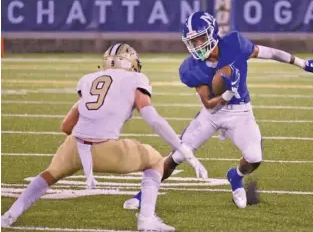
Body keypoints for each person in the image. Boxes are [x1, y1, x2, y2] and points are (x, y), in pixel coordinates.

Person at [123, 11, 313, 210]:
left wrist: (301, 63)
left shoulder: (235, 43)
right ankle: (143, 195)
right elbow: (210, 104)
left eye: (200, 38)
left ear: (213, 33)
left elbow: (269, 52)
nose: (197, 45)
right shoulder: (191, 67)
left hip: (241, 112)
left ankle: (236, 176)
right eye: (192, 41)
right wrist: (229, 91)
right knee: (178, 156)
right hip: (212, 115)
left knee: (254, 157)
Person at [1, 43, 208, 231]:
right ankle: (146, 219)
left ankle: (10, 215)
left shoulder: (89, 79)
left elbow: (67, 126)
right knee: (155, 160)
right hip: (105, 150)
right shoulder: (136, 79)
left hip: (75, 146)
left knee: (48, 175)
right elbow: (154, 120)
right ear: (129, 63)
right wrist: (184, 151)